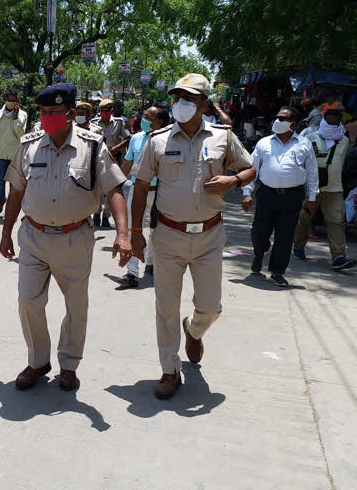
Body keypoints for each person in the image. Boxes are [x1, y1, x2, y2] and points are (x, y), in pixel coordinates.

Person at [130, 73, 256, 399]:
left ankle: (194, 330)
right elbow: (141, 186)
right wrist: (134, 233)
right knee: (165, 307)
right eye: (176, 98)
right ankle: (170, 370)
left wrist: (235, 182)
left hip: (210, 236)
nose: (180, 104)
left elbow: (250, 168)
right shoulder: (158, 140)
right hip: (168, 235)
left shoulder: (222, 137)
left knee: (211, 306)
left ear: (203, 103)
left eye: (188, 98)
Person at [0, 83, 131, 391]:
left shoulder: (93, 146)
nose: (47, 118)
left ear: (71, 114)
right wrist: (6, 233)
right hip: (33, 236)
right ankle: (37, 360)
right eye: (43, 112)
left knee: (76, 306)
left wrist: (123, 234)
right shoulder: (29, 144)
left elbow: (113, 189)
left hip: (74, 239)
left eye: (54, 113)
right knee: (28, 301)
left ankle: (69, 364)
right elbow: (16, 191)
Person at [241, 107, 318, 287]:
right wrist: (247, 193)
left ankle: (277, 271)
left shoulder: (304, 144)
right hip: (267, 194)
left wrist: (312, 198)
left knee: (285, 235)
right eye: (277, 117)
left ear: (293, 124)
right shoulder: (264, 143)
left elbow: (312, 173)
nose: (277, 121)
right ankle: (259, 253)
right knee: (259, 233)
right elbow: (252, 170)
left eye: (282, 118)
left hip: (292, 196)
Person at [292, 110, 357, 270]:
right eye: (330, 122)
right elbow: (298, 161)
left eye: (336, 122)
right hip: (312, 188)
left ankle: (339, 257)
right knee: (304, 218)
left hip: (334, 188)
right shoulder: (310, 138)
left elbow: (340, 162)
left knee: (336, 221)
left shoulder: (344, 140)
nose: (333, 125)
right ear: (324, 122)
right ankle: (298, 246)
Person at [118, 106, 170, 287]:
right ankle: (132, 272)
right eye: (144, 116)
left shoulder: (168, 140)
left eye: (149, 117)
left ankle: (151, 263)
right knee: (134, 230)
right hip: (137, 191)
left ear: (160, 122)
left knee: (157, 231)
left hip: (160, 192)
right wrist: (114, 185)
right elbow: (127, 164)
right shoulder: (136, 138)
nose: (144, 119)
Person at [91, 98, 130, 227]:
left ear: (111, 111)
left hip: (113, 158)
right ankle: (96, 213)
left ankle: (106, 216)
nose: (104, 113)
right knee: (98, 188)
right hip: (97, 159)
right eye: (101, 111)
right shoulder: (94, 123)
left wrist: (116, 148)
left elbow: (127, 138)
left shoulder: (118, 123)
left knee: (111, 188)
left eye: (106, 111)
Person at [0, 90, 28, 215]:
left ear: (17, 101)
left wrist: (15, 119)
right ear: (5, 100)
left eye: (14, 100)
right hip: (1, 154)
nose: (11, 102)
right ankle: (2, 200)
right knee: (0, 182)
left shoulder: (22, 115)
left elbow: (21, 135)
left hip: (15, 155)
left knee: (14, 184)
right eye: (9, 100)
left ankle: (11, 207)